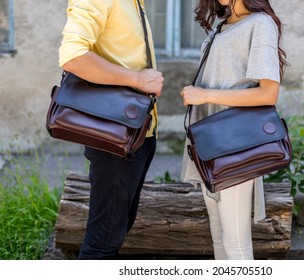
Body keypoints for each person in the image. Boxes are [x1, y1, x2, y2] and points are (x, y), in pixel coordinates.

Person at [180, 0, 288, 260]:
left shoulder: (260, 24)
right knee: (219, 239)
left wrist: (204, 95)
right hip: (208, 143)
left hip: (235, 144)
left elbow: (268, 93)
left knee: (236, 245)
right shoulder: (223, 25)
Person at [58, 0, 164, 260]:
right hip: (114, 138)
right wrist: (137, 80)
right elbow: (72, 56)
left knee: (113, 234)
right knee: (102, 245)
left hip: (136, 133)